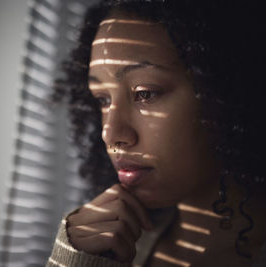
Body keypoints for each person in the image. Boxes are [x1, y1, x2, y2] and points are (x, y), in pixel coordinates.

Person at [47, 0, 266, 266]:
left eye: (145, 93)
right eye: (102, 100)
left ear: (226, 93)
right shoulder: (103, 249)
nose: (110, 133)